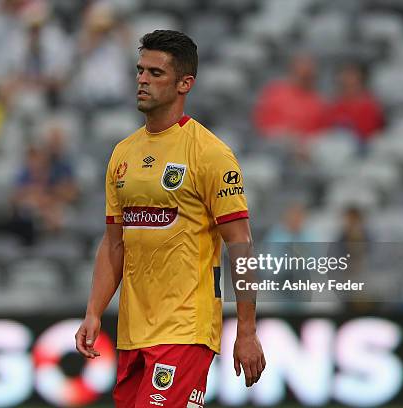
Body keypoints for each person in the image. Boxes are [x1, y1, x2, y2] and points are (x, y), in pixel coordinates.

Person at [75, 30, 265, 407]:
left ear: (185, 84)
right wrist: (93, 311)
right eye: (140, 70)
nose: (142, 80)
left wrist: (246, 330)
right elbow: (115, 242)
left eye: (155, 73)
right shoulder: (122, 153)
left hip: (185, 331)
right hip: (132, 334)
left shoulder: (210, 154)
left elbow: (240, 246)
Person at [253, 53, 327, 138]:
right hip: (274, 141)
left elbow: (321, 133)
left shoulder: (320, 102)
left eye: (308, 76)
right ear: (291, 72)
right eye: (301, 75)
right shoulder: (274, 92)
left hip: (306, 145)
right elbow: (260, 123)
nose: (305, 79)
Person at [327, 63, 384, 142]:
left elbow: (371, 133)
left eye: (351, 76)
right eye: (344, 76)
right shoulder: (334, 104)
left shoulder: (369, 104)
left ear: (360, 79)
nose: (346, 79)